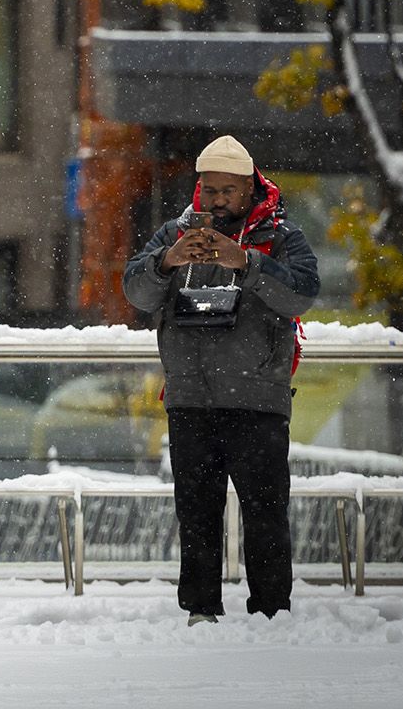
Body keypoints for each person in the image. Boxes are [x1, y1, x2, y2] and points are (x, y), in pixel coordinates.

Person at [123, 134, 320, 625]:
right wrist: (168, 260)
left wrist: (246, 262)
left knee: (266, 512)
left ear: (250, 188)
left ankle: (272, 609)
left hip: (259, 400)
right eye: (208, 189)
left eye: (228, 191)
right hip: (191, 397)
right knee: (196, 512)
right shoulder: (173, 233)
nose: (216, 201)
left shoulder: (281, 236)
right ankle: (200, 608)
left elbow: (303, 294)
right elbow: (136, 293)